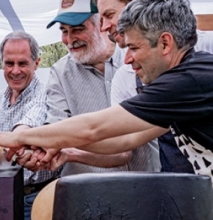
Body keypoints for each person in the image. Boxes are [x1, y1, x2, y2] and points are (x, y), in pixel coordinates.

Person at [0, 0, 213, 220]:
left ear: (165, 43)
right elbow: (126, 139)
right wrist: (66, 150)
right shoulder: (190, 82)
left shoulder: (191, 79)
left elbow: (95, 127)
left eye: (135, 48)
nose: (126, 60)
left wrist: (20, 136)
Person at [98, 0, 213, 173]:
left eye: (109, 15)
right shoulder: (125, 77)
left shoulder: (211, 50)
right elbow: (125, 140)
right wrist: (71, 145)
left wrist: (68, 135)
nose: (104, 27)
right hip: (181, 182)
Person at [41, 0, 159, 176]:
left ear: (102, 24)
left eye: (78, 29)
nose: (69, 39)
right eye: (64, 31)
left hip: (147, 188)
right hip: (87, 195)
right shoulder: (60, 73)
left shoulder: (139, 60)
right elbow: (56, 129)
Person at [0, 30, 58, 220]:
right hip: (0, 198)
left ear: (36, 63)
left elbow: (28, 123)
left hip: (35, 200)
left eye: (23, 63)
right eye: (9, 63)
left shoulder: (45, 94)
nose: (15, 70)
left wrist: (16, 138)